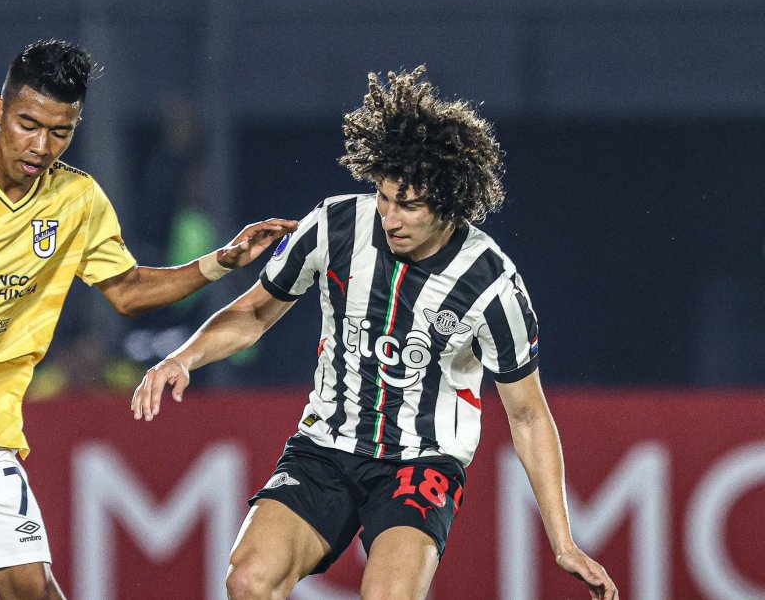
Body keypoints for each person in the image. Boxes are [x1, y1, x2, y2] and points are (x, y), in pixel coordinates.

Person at [0, 39, 296, 600]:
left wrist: (219, 262)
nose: (41, 146)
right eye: (28, 125)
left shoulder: (76, 200)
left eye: (60, 132)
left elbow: (128, 292)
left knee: (34, 589)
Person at [131, 67, 618, 600]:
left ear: (449, 202)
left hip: (422, 461)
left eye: (409, 205)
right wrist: (182, 358)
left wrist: (564, 543)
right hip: (325, 445)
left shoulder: (492, 286)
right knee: (247, 581)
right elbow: (252, 315)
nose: (390, 217)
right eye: (384, 197)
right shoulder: (334, 226)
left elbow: (527, 415)